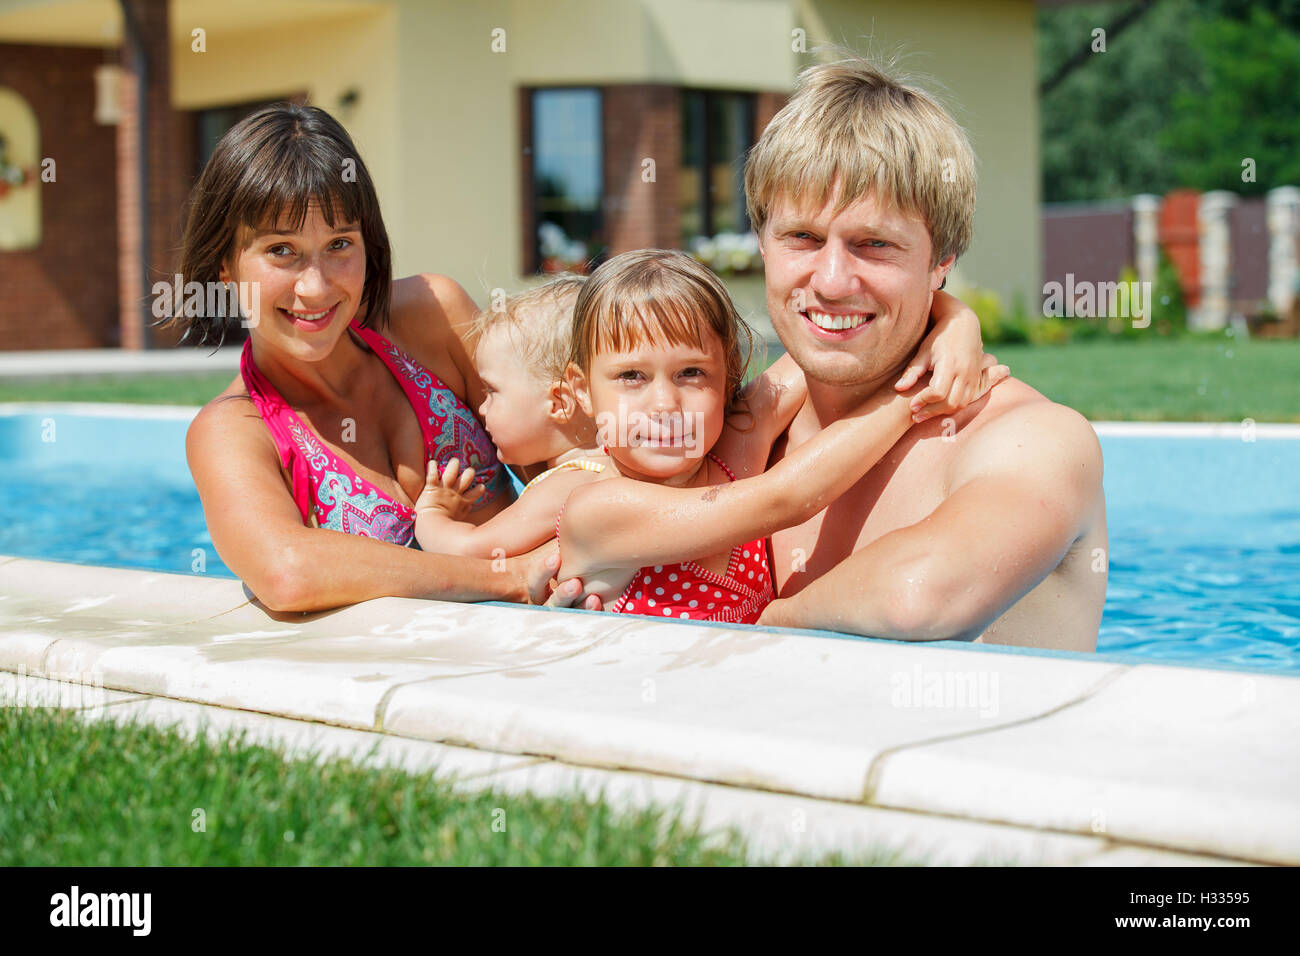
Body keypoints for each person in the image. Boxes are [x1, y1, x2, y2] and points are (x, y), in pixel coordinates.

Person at [426, 248, 1002, 624]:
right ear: (580, 390)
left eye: (692, 374)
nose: (663, 402)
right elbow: (784, 498)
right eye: (630, 377)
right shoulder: (594, 507)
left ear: (728, 377)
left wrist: (953, 319)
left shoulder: (735, 445)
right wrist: (913, 403)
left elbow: (828, 345)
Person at [745, 54, 1108, 649]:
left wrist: (743, 631)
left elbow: (916, 596)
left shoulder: (1035, 440)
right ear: (762, 241)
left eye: (874, 245)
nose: (832, 279)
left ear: (942, 262)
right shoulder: (738, 428)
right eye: (803, 238)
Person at [179, 103, 567, 612]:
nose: (316, 287)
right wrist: (509, 579)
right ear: (224, 266)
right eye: (281, 250)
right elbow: (287, 572)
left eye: (340, 243)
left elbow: (566, 449)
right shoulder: (233, 431)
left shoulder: (431, 317)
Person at [412, 275, 611, 557]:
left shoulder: (567, 486)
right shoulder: (613, 465)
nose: (481, 407)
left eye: (492, 391)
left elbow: (471, 549)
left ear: (559, 403)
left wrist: (431, 513)